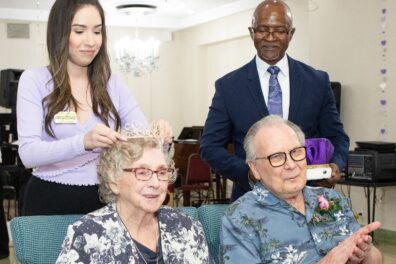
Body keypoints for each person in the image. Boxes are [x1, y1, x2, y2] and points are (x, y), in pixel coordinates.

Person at [17, 0, 171, 215]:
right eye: (79, 31)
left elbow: (141, 140)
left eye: (97, 32)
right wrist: (84, 142)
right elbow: (29, 154)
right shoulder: (34, 80)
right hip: (49, 199)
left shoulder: (113, 84)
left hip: (106, 199)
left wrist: (158, 137)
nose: (91, 41)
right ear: (59, 33)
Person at [200, 0, 349, 202]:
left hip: (309, 200)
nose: (270, 38)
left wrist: (336, 165)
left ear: (291, 33)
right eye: (262, 30)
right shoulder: (228, 87)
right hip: (251, 202)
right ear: (252, 32)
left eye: (279, 30)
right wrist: (250, 174)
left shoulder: (317, 82)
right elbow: (209, 147)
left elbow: (338, 138)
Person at [220, 115, 382, 263]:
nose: (291, 165)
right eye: (276, 157)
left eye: (296, 152)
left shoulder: (331, 199)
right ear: (255, 168)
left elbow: (377, 259)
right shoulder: (241, 218)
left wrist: (365, 254)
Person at [56, 131, 210, 263]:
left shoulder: (187, 227)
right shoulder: (88, 234)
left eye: (162, 172)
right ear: (113, 181)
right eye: (142, 172)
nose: (156, 183)